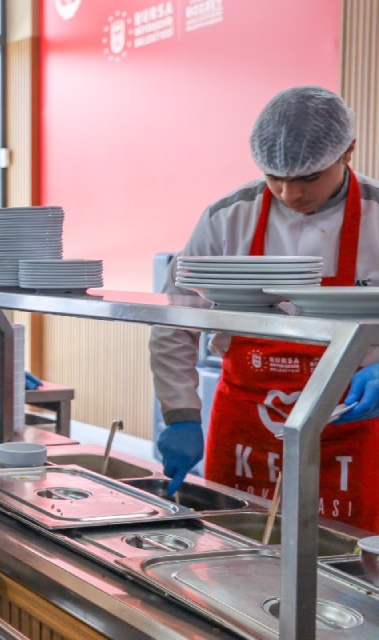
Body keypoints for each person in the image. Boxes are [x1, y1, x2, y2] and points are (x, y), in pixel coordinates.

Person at [150, 86, 379, 532]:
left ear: (348, 151)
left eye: (308, 178)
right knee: (233, 553)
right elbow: (175, 321)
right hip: (246, 427)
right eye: (275, 177)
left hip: (355, 427)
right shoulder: (226, 217)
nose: (289, 193)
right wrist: (180, 414)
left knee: (352, 569)